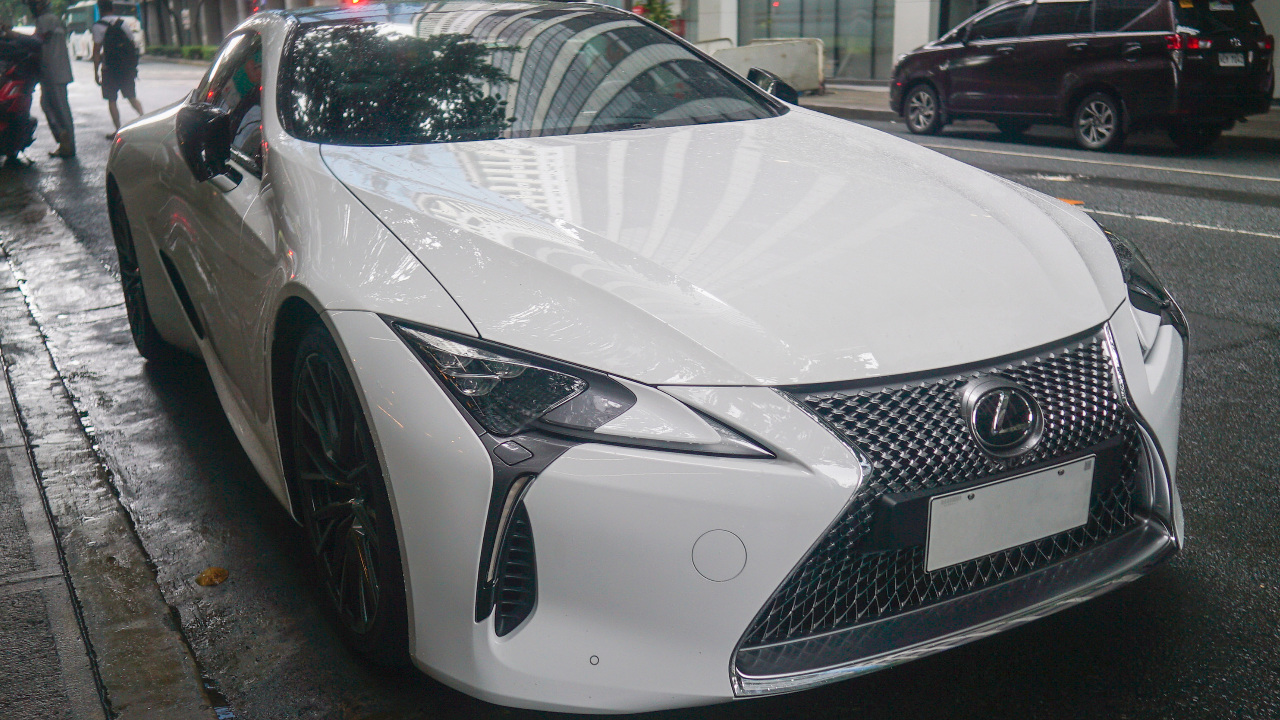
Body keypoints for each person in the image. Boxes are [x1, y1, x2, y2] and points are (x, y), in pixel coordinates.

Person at [27, 0, 75, 157]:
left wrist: (13, 35)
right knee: (48, 105)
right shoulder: (53, 19)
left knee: (59, 109)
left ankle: (68, 145)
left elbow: (36, 40)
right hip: (54, 71)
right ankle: (63, 139)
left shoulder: (45, 20)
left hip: (53, 71)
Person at [91, 0, 142, 138]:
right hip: (126, 68)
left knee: (112, 100)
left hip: (109, 69)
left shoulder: (98, 26)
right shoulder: (122, 23)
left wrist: (96, 72)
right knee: (132, 97)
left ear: (100, 10)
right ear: (112, 9)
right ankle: (145, 120)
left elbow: (96, 51)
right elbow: (132, 44)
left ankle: (118, 130)